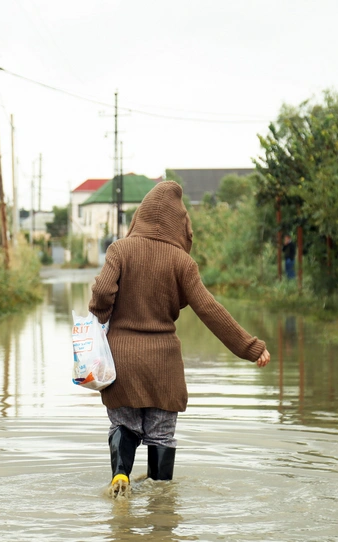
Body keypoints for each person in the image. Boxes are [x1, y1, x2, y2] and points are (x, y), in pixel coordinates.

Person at [89, 181, 270, 498]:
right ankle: (160, 503)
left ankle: (120, 475)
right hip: (164, 367)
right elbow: (211, 311)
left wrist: (101, 312)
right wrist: (250, 348)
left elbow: (103, 291)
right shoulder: (182, 262)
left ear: (139, 217)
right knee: (160, 436)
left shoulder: (119, 250)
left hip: (122, 364)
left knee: (125, 425)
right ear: (181, 224)